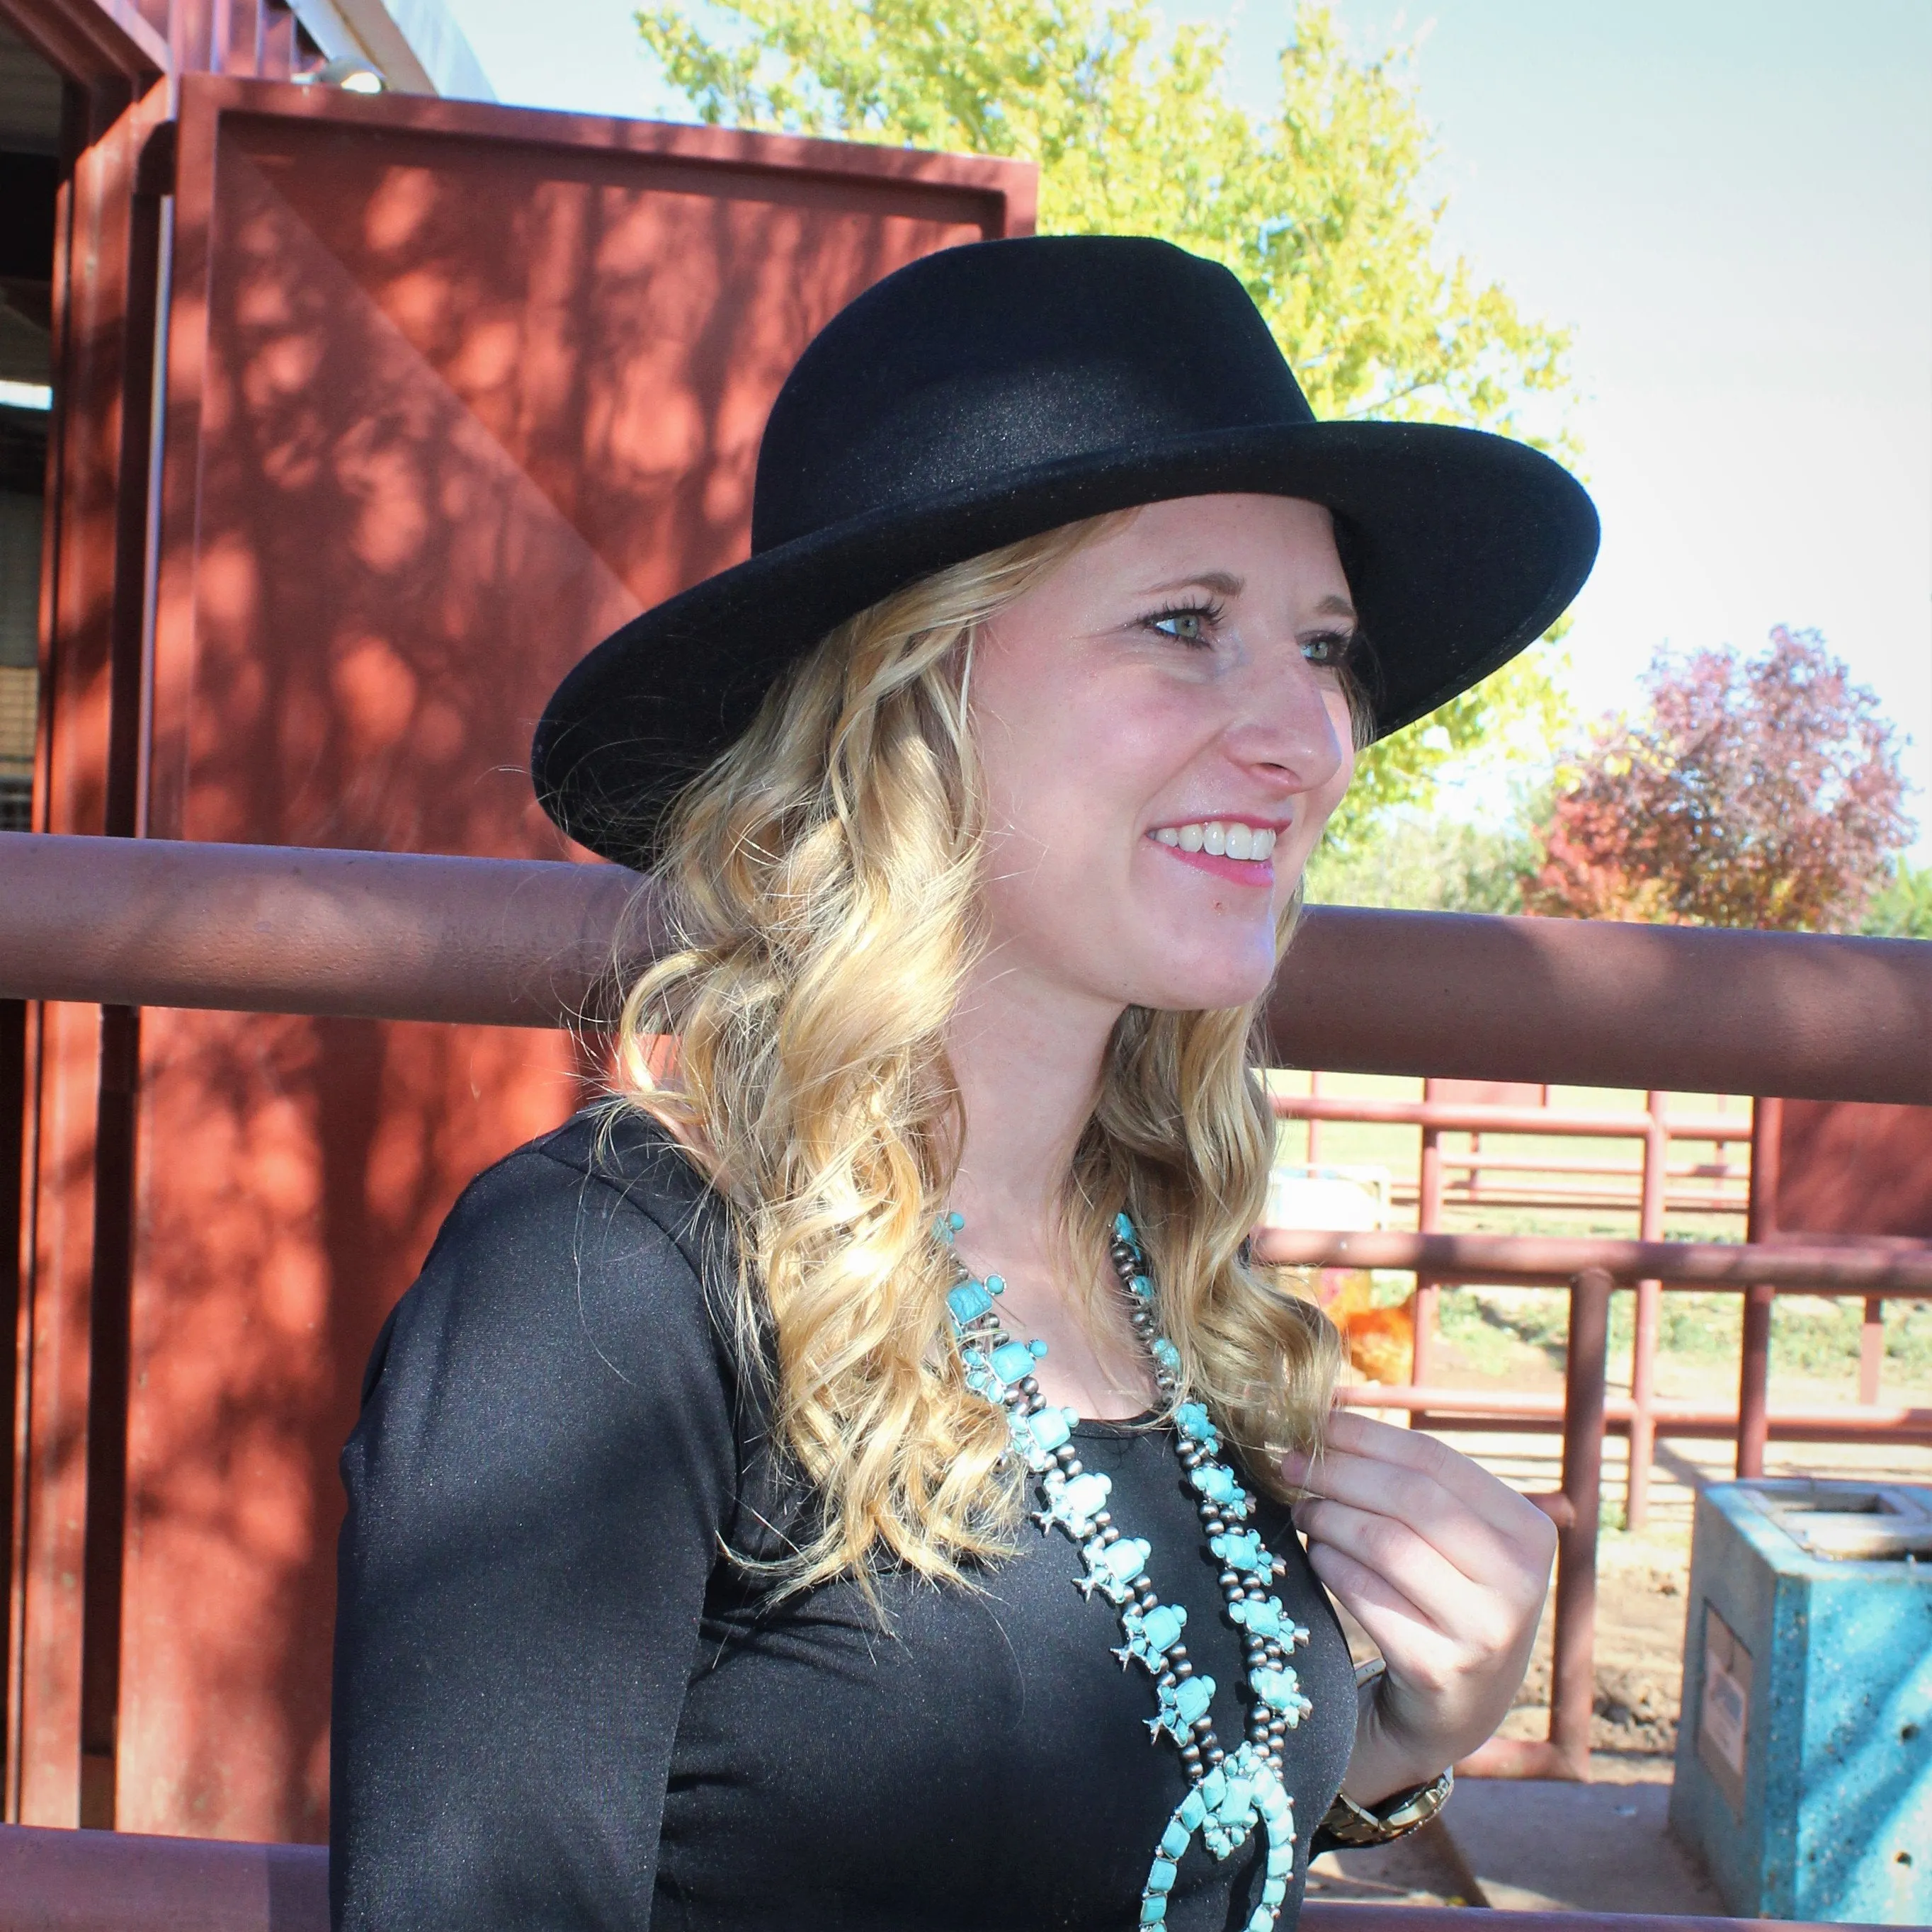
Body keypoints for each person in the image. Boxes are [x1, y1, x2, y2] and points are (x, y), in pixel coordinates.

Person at [330, 235, 1598, 1932]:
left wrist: (1402, 1733)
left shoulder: (1161, 1265)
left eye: (1320, 646)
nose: (1306, 737)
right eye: (1182, 625)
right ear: (904, 696)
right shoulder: (598, 1294)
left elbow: (1078, 1815)